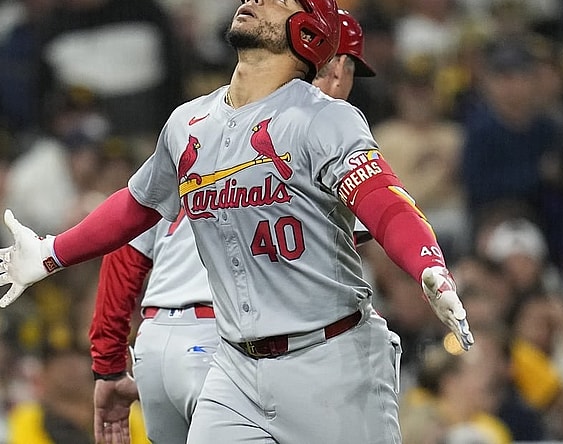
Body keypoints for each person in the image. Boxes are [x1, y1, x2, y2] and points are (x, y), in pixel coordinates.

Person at [0, 1, 473, 442]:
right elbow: (137, 204)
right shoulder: (190, 121)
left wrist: (428, 265)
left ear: (309, 30)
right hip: (232, 365)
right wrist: (52, 252)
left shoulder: (324, 118)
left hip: (331, 361)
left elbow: (383, 200)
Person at [90, 10, 378, 444]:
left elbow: (125, 250)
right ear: (334, 66)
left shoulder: (200, 133)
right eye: (347, 66)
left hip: (155, 343)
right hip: (236, 348)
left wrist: (109, 364)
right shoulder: (323, 139)